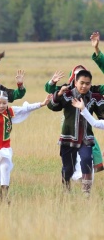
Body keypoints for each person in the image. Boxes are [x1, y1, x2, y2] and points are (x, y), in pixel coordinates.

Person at [0, 90, 50, 202]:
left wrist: (41, 104)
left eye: (4, 103)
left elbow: (25, 109)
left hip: (4, 147)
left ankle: (4, 196)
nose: (1, 106)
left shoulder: (10, 112)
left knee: (5, 167)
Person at [47, 70, 104, 198]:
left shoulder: (94, 97)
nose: (84, 86)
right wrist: (59, 93)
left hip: (86, 138)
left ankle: (86, 193)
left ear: (90, 84)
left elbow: (102, 114)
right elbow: (52, 106)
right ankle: (66, 189)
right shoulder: (68, 95)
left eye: (87, 83)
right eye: (81, 83)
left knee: (86, 160)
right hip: (68, 137)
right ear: (75, 82)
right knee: (68, 167)